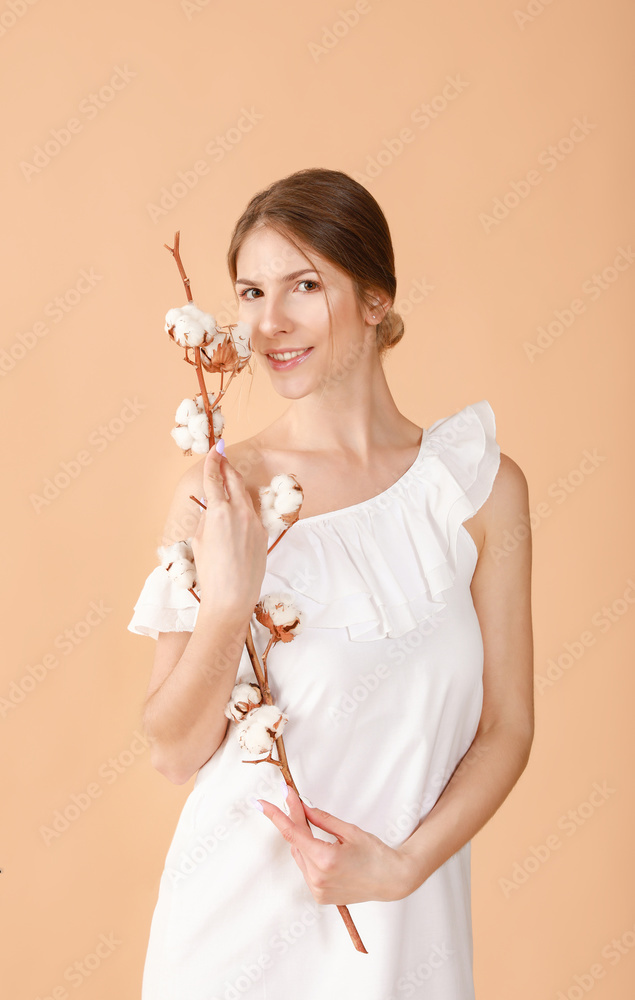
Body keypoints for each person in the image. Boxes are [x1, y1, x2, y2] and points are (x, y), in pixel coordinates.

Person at [127, 167, 534, 999]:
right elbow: (172, 750)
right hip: (232, 939)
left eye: (304, 285)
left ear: (375, 299)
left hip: (405, 932)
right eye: (249, 292)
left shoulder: (477, 490)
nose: (269, 323)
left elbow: (508, 728)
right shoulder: (221, 494)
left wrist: (400, 867)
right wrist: (230, 604)